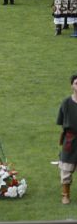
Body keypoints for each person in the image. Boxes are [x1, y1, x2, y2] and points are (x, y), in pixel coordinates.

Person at [57, 74, 77, 204]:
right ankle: (65, 195)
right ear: (72, 86)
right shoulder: (66, 102)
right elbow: (61, 121)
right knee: (66, 168)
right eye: (76, 83)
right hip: (71, 140)